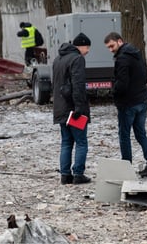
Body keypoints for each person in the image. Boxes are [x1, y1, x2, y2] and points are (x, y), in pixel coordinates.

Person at [104, 32, 147, 178]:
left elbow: (121, 84)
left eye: (112, 46)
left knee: (124, 136)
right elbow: (145, 75)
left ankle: (126, 167)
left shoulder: (122, 59)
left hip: (128, 103)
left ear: (120, 41)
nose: (111, 50)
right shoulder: (136, 53)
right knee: (141, 134)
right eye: (108, 47)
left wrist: (113, 92)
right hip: (142, 99)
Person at [52, 33, 92, 185]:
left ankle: (65, 174)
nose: (87, 51)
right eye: (87, 47)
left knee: (66, 142)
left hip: (60, 108)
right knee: (81, 142)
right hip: (74, 109)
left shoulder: (58, 59)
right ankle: (78, 174)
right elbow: (78, 85)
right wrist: (80, 109)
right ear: (80, 46)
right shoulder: (77, 59)